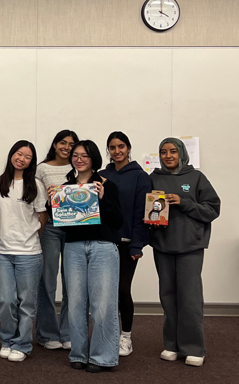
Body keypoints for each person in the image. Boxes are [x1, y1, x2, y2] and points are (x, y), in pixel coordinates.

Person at [150, 138, 220, 367]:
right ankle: (171, 344)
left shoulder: (196, 178)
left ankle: (193, 348)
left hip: (190, 246)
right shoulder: (154, 178)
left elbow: (212, 209)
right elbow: (146, 210)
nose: (168, 156)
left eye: (172, 151)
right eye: (163, 152)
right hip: (162, 245)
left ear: (181, 153)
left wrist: (184, 202)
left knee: (189, 299)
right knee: (168, 297)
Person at [56, 140, 123, 373]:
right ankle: (79, 353)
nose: (79, 159)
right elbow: (63, 224)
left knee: (103, 305)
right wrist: (54, 202)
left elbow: (117, 222)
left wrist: (103, 199)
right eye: (75, 155)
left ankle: (102, 357)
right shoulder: (66, 187)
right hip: (73, 247)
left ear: (94, 158)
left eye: (84, 155)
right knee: (74, 303)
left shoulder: (107, 185)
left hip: (103, 246)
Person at [0, 141, 47, 362]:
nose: (21, 158)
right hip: (3, 251)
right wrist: (6, 233)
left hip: (30, 253)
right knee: (5, 300)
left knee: (27, 302)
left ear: (31, 162)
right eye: (18, 153)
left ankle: (22, 344)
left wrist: (28, 237)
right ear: (11, 154)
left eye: (27, 156)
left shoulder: (36, 185)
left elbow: (42, 218)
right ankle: (7, 339)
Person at [98, 131, 152, 357]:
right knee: (103, 292)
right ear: (108, 151)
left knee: (122, 290)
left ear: (128, 148)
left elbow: (142, 212)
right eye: (112, 147)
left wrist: (137, 245)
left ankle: (125, 336)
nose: (117, 151)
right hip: (103, 242)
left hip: (127, 243)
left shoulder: (141, 177)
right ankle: (106, 335)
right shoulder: (100, 175)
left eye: (121, 146)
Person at [35, 129, 80, 350]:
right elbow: (34, 197)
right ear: (55, 144)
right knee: (47, 281)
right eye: (63, 142)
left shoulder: (80, 166)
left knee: (73, 283)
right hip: (51, 227)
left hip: (76, 229)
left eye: (72, 144)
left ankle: (69, 332)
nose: (67, 147)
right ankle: (47, 333)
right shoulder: (41, 168)